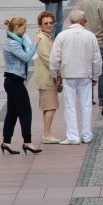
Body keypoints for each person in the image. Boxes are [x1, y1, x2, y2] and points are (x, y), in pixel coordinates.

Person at [49, 10, 102, 144]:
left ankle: (73, 136)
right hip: (85, 74)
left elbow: (54, 58)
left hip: (68, 74)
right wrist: (95, 76)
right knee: (86, 106)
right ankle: (86, 135)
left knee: (70, 106)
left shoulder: (62, 36)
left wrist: (55, 74)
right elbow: (96, 59)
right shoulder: (90, 36)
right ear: (82, 20)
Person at [1, 16, 40, 155]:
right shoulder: (12, 43)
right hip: (14, 81)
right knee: (25, 111)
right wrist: (35, 44)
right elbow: (26, 57)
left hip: (14, 80)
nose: (26, 29)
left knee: (12, 111)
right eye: (24, 27)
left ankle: (6, 141)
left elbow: (24, 43)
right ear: (16, 28)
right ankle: (27, 142)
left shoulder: (16, 39)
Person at [33, 11, 60, 144]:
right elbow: (48, 59)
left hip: (47, 78)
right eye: (46, 23)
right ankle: (47, 134)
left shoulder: (48, 36)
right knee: (50, 107)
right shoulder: (42, 39)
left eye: (51, 22)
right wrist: (58, 73)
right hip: (47, 79)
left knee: (48, 107)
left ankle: (47, 132)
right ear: (40, 25)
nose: (49, 25)